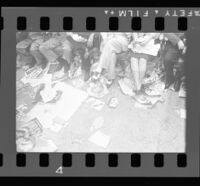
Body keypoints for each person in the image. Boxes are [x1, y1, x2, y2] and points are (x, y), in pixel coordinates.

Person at [129, 33, 160, 104]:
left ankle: (139, 85)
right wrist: (136, 39)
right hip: (138, 44)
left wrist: (148, 38)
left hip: (150, 45)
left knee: (142, 59)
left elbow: (157, 34)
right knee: (133, 58)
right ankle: (138, 86)